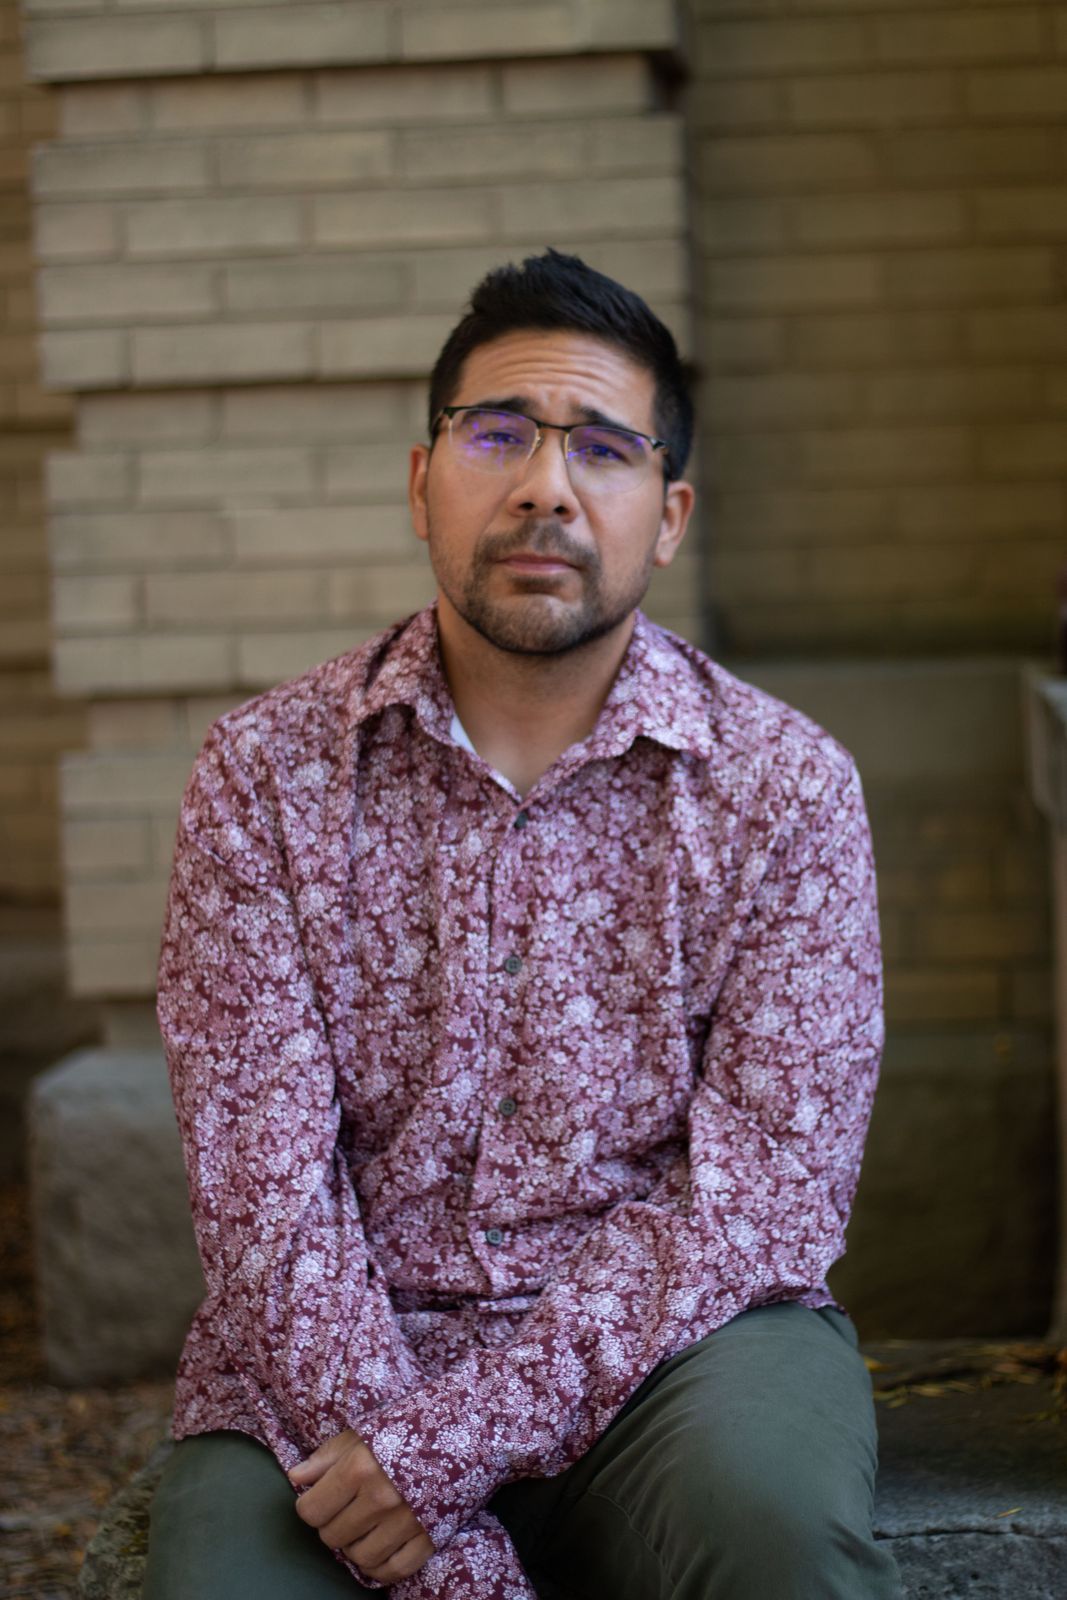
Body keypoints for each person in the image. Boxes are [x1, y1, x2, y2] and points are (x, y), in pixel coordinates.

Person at [144, 248, 904, 1600]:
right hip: (330, 1360)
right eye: (497, 434)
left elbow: (764, 1201)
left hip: (682, 1351)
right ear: (421, 481)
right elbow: (264, 1204)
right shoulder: (262, 777)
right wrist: (443, 1541)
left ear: (668, 517)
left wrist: (442, 1457)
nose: (546, 485)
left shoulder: (785, 789)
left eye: (603, 450)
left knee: (773, 1534)